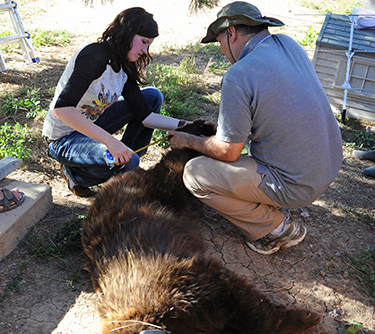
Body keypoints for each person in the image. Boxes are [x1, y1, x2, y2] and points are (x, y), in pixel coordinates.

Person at [169, 1, 343, 255]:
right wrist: (229, 127)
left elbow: (229, 152)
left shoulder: (239, 74)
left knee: (195, 174)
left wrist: (187, 140)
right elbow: (279, 106)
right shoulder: (288, 45)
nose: (220, 51)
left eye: (219, 42)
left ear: (231, 33)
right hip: (329, 165)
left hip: (297, 184)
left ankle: (275, 229)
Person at [43, 7, 185, 198]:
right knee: (129, 160)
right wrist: (111, 142)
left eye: (148, 45)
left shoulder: (124, 64)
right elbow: (62, 110)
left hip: (90, 125)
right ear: (127, 33)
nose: (145, 51)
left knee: (152, 97)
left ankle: (123, 162)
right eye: (143, 42)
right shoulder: (95, 56)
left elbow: (145, 116)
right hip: (63, 138)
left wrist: (187, 126)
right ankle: (75, 174)